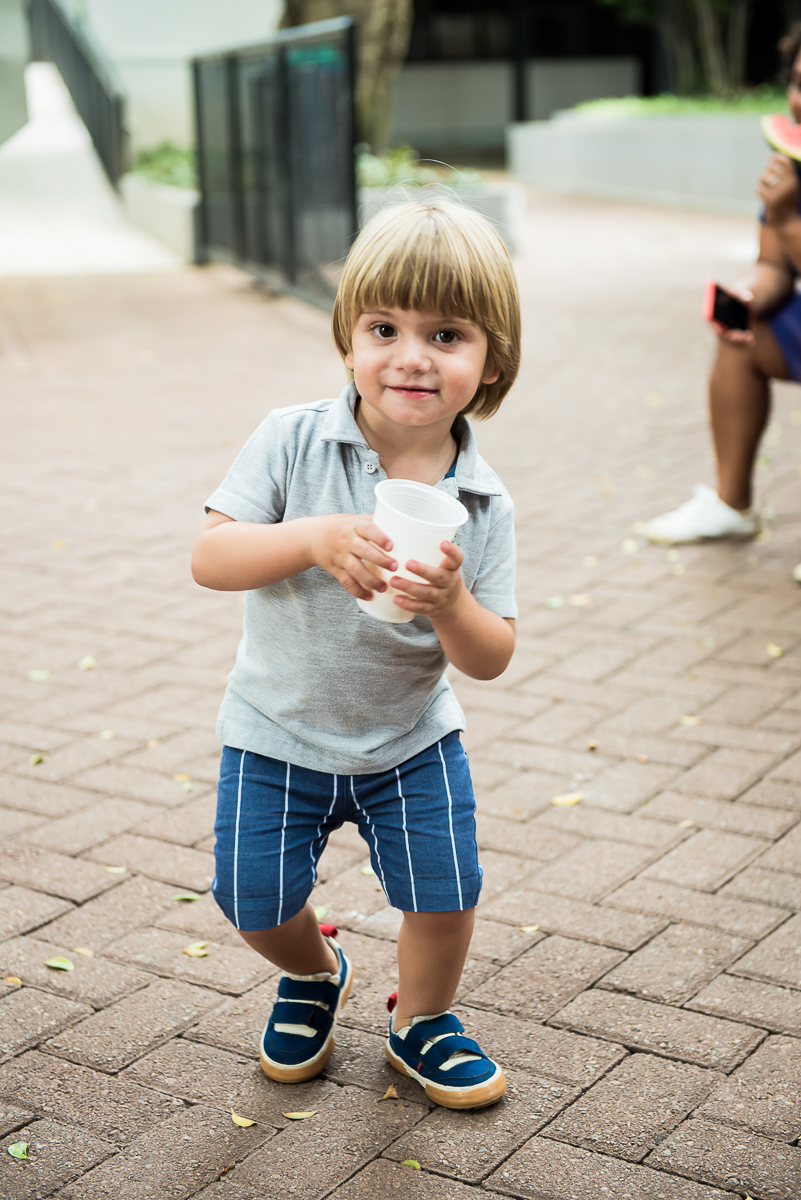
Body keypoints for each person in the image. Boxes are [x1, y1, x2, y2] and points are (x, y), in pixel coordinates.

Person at [191, 198, 520, 1110]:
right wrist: (312, 538)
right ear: (347, 342)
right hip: (274, 729)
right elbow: (209, 557)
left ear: (490, 362)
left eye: (445, 334)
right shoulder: (292, 439)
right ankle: (313, 971)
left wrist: (451, 603)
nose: (411, 356)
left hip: (409, 739)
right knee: (250, 898)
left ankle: (421, 1021)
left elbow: (491, 655)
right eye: (385, 328)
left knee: (446, 894)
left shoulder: (482, 503)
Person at [645, 24, 801, 551]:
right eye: (799, 82)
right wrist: (748, 295)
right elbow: (775, 264)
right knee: (741, 335)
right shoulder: (790, 173)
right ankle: (732, 505)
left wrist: (788, 220)